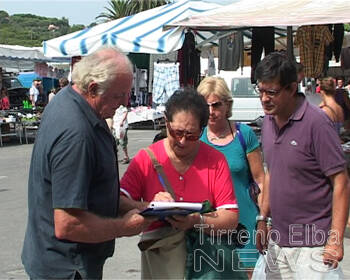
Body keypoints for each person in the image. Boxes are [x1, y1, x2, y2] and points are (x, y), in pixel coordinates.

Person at [21, 47, 151, 280]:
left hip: (60, 262)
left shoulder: (71, 102)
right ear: (92, 89)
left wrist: (139, 207)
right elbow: (68, 224)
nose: (125, 102)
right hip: (67, 269)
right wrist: (124, 226)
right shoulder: (77, 133)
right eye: (118, 95)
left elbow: (90, 191)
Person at [119, 88, 240, 279]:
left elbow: (230, 217)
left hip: (205, 264)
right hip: (161, 261)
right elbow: (119, 202)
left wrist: (196, 221)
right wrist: (150, 207)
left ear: (202, 130)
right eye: (177, 132)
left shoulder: (215, 161)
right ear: (166, 123)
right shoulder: (146, 159)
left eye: (191, 135)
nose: (183, 141)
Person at [255, 52, 350, 278]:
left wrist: (335, 240)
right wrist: (262, 219)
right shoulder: (268, 121)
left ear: (291, 88)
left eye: (272, 92)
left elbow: (341, 182)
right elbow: (271, 172)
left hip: (313, 245)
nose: (264, 98)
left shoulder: (317, 123)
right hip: (278, 241)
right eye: (260, 91)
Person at [197, 76, 265, 278]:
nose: (211, 111)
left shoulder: (244, 134)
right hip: (209, 224)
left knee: (247, 274)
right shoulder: (195, 138)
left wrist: (264, 220)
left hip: (245, 223)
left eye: (216, 105)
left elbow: (261, 180)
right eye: (205, 105)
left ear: (227, 105)